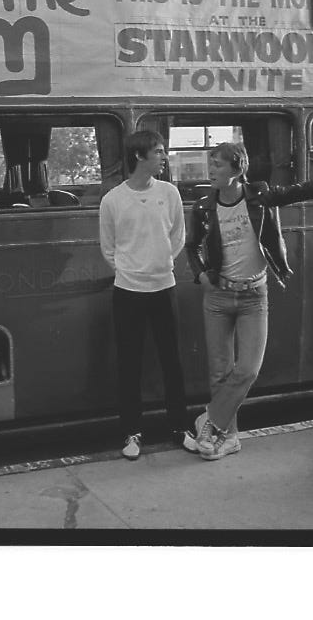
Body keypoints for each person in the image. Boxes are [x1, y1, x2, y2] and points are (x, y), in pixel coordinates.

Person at [181, 142, 313, 460]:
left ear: (237, 169)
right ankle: (227, 438)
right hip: (218, 297)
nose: (211, 170)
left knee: (247, 369)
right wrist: (201, 275)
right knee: (220, 374)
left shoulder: (259, 196)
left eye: (217, 164)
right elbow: (192, 246)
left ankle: (209, 420)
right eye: (211, 164)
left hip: (253, 296)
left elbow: (302, 191)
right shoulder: (204, 206)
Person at [95, 128, 192, 461]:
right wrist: (130, 270)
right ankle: (131, 432)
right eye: (159, 151)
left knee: (172, 362)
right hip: (128, 291)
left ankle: (180, 427)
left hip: (164, 286)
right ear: (139, 155)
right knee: (129, 363)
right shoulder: (112, 200)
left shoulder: (170, 193)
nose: (164, 157)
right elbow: (108, 247)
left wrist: (161, 263)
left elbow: (178, 236)